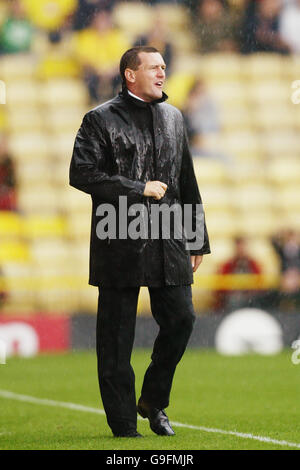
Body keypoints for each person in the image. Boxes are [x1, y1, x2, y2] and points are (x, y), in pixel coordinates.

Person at [69, 46, 210, 438]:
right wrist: (137, 188)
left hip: (169, 237)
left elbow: (186, 183)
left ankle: (153, 400)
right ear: (130, 74)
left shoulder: (174, 117)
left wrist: (197, 238)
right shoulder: (98, 119)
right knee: (115, 340)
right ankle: (123, 427)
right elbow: (81, 174)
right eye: (153, 67)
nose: (162, 72)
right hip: (119, 238)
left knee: (182, 319)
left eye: (164, 66)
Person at [213, 236, 262, 312]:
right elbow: (219, 287)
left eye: (243, 246)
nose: (241, 250)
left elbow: (260, 284)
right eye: (239, 247)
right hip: (231, 299)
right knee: (234, 301)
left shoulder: (253, 264)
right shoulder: (228, 265)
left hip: (250, 298)